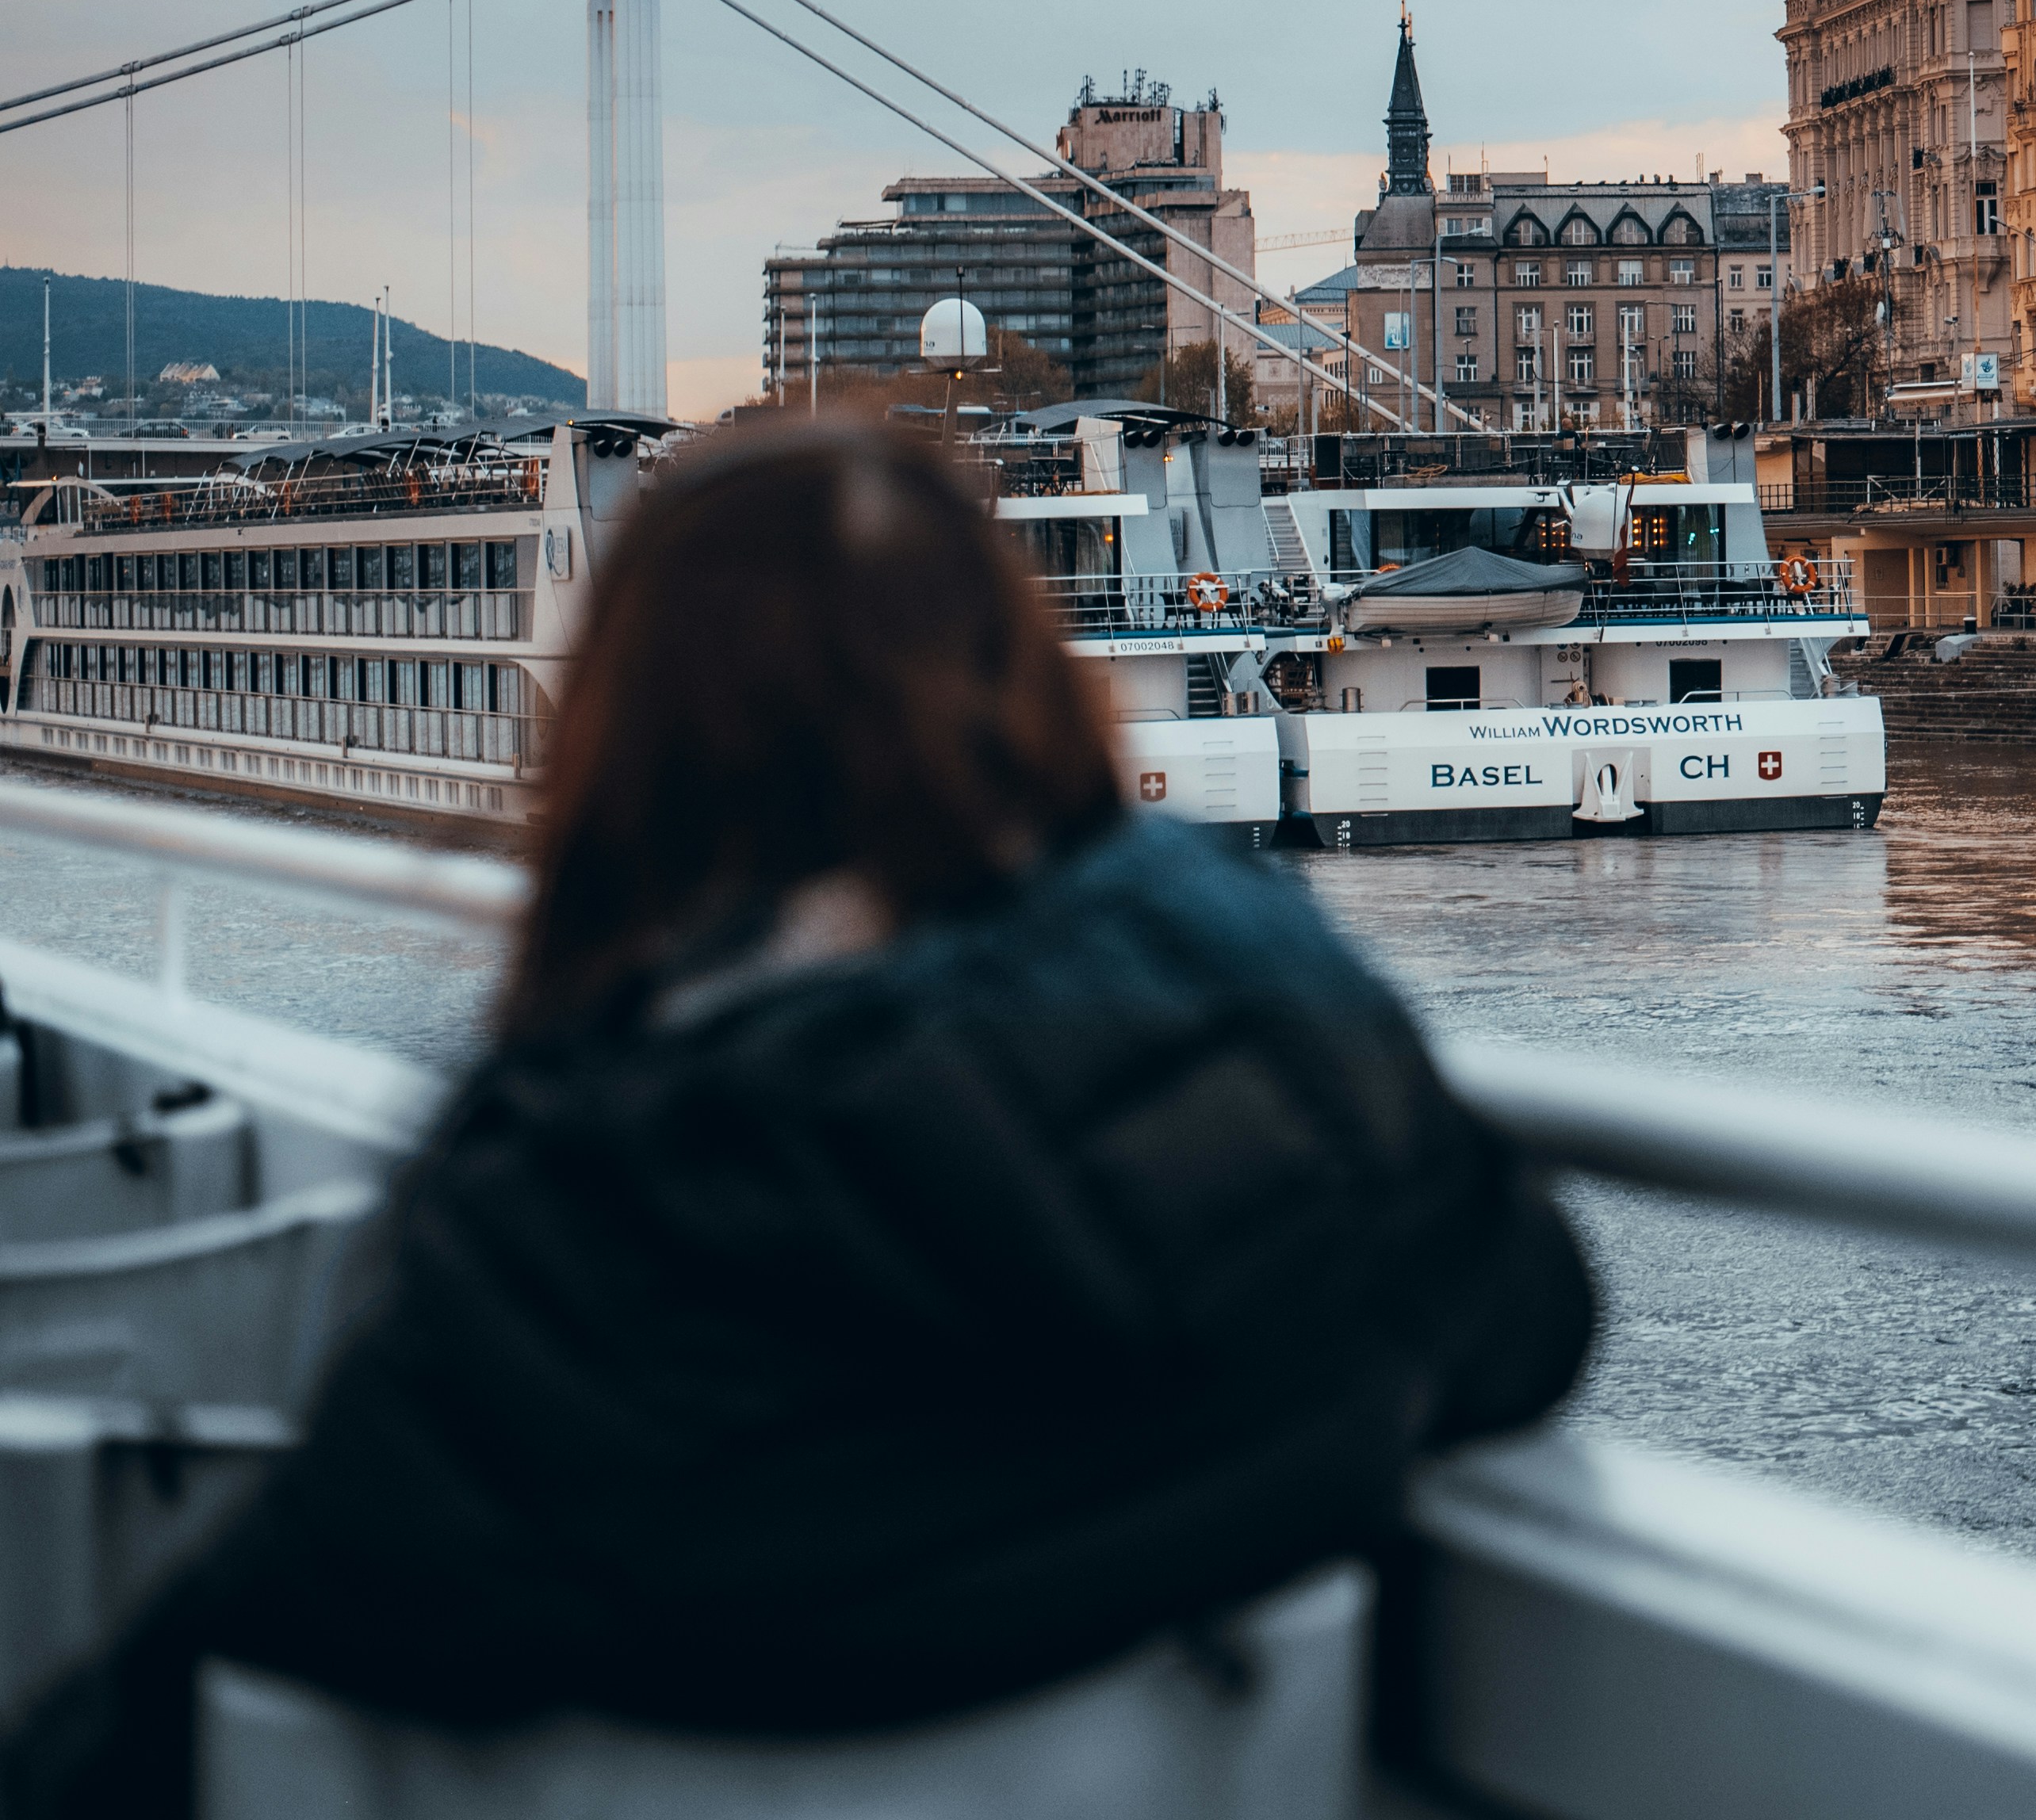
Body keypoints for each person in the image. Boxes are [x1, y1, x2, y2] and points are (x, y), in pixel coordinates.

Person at [5, 421, 1596, 1815]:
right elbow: (1528, 1319)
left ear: (639, 731)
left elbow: (267, 1642)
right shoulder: (1299, 1032)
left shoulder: (580, 1200)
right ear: (1022, 669)